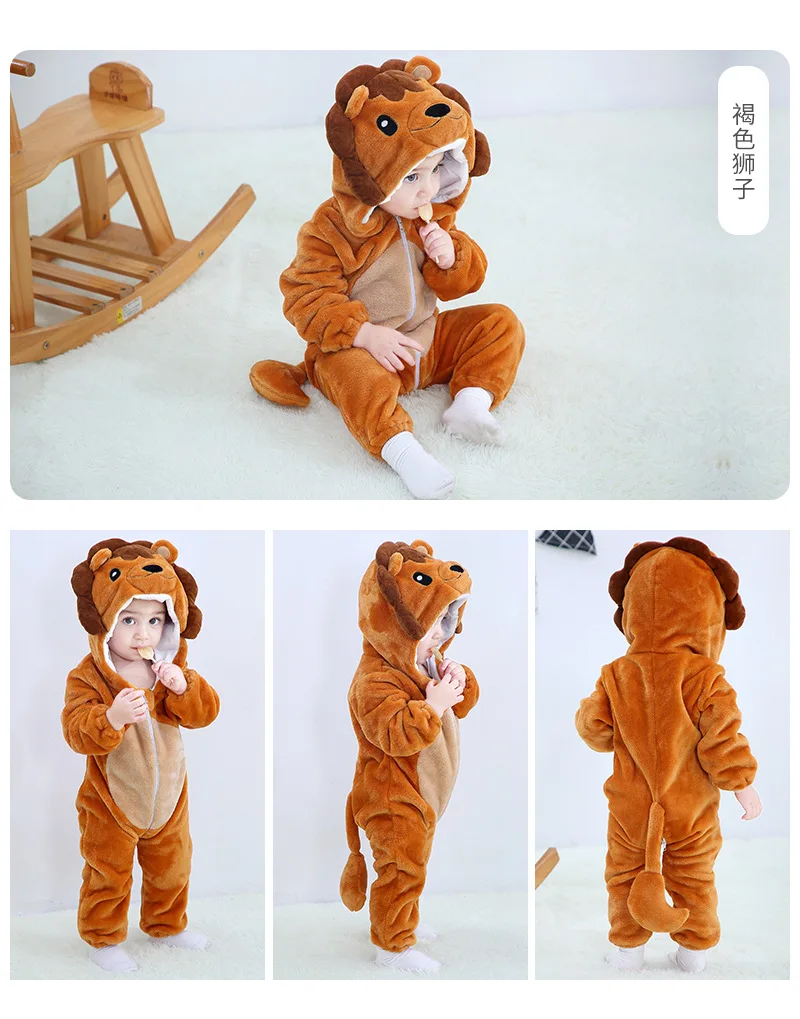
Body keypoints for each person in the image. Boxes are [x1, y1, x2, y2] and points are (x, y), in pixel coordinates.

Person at [250, 55, 525, 499]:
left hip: (423, 343)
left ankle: (471, 404)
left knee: (500, 323)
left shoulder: (430, 215)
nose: (428, 189)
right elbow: (305, 294)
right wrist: (363, 335)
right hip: (363, 351)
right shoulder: (332, 228)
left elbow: (461, 284)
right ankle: (402, 449)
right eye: (412, 175)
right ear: (371, 172)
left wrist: (450, 256)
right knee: (355, 376)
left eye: (436, 170)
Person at [576, 537, 761, 974]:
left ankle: (628, 951)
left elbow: (594, 731)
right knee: (693, 874)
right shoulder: (706, 676)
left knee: (624, 872)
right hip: (690, 806)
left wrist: (620, 724)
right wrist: (743, 786)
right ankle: (693, 952)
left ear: (633, 612)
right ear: (708, 615)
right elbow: (722, 739)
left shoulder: (616, 675)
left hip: (630, 805)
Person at [63, 538, 219, 974]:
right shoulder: (90, 676)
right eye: (129, 620)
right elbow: (76, 730)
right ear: (106, 619)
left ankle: (166, 926)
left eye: (154, 620)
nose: (142, 634)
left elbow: (205, 714)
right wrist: (110, 717)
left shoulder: (168, 670)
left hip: (169, 799)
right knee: (107, 871)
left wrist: (183, 688)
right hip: (112, 801)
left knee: (173, 867)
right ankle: (103, 939)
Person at [339, 539, 479, 972]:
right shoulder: (374, 680)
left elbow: (462, 704)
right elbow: (396, 734)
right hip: (390, 796)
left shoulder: (425, 664)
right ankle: (392, 945)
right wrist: (432, 706)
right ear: (396, 623)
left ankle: (403, 922)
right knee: (401, 869)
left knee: (413, 864)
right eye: (431, 625)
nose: (439, 635)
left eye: (445, 623)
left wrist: (459, 680)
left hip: (421, 796)